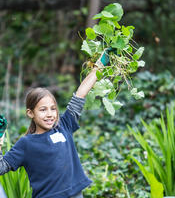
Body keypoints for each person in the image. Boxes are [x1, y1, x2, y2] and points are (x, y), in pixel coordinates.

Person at [0, 55, 105, 197]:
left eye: (53, 108)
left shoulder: (64, 126)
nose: (50, 114)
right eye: (43, 110)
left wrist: (100, 64)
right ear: (30, 113)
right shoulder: (26, 143)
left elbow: (80, 95)